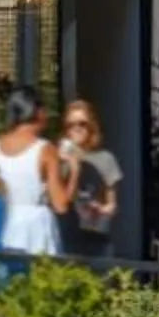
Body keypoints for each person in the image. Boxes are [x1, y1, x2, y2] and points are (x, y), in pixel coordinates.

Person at [0, 86, 69, 257]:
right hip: (35, 226)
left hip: (3, 221)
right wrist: (74, 171)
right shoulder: (45, 149)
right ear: (37, 111)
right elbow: (60, 204)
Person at [59, 100, 122, 258]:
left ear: (91, 126)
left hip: (96, 235)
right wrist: (64, 163)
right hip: (67, 234)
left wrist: (100, 209)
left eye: (82, 123)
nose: (77, 128)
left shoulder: (105, 159)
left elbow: (112, 205)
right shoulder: (59, 160)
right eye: (71, 124)